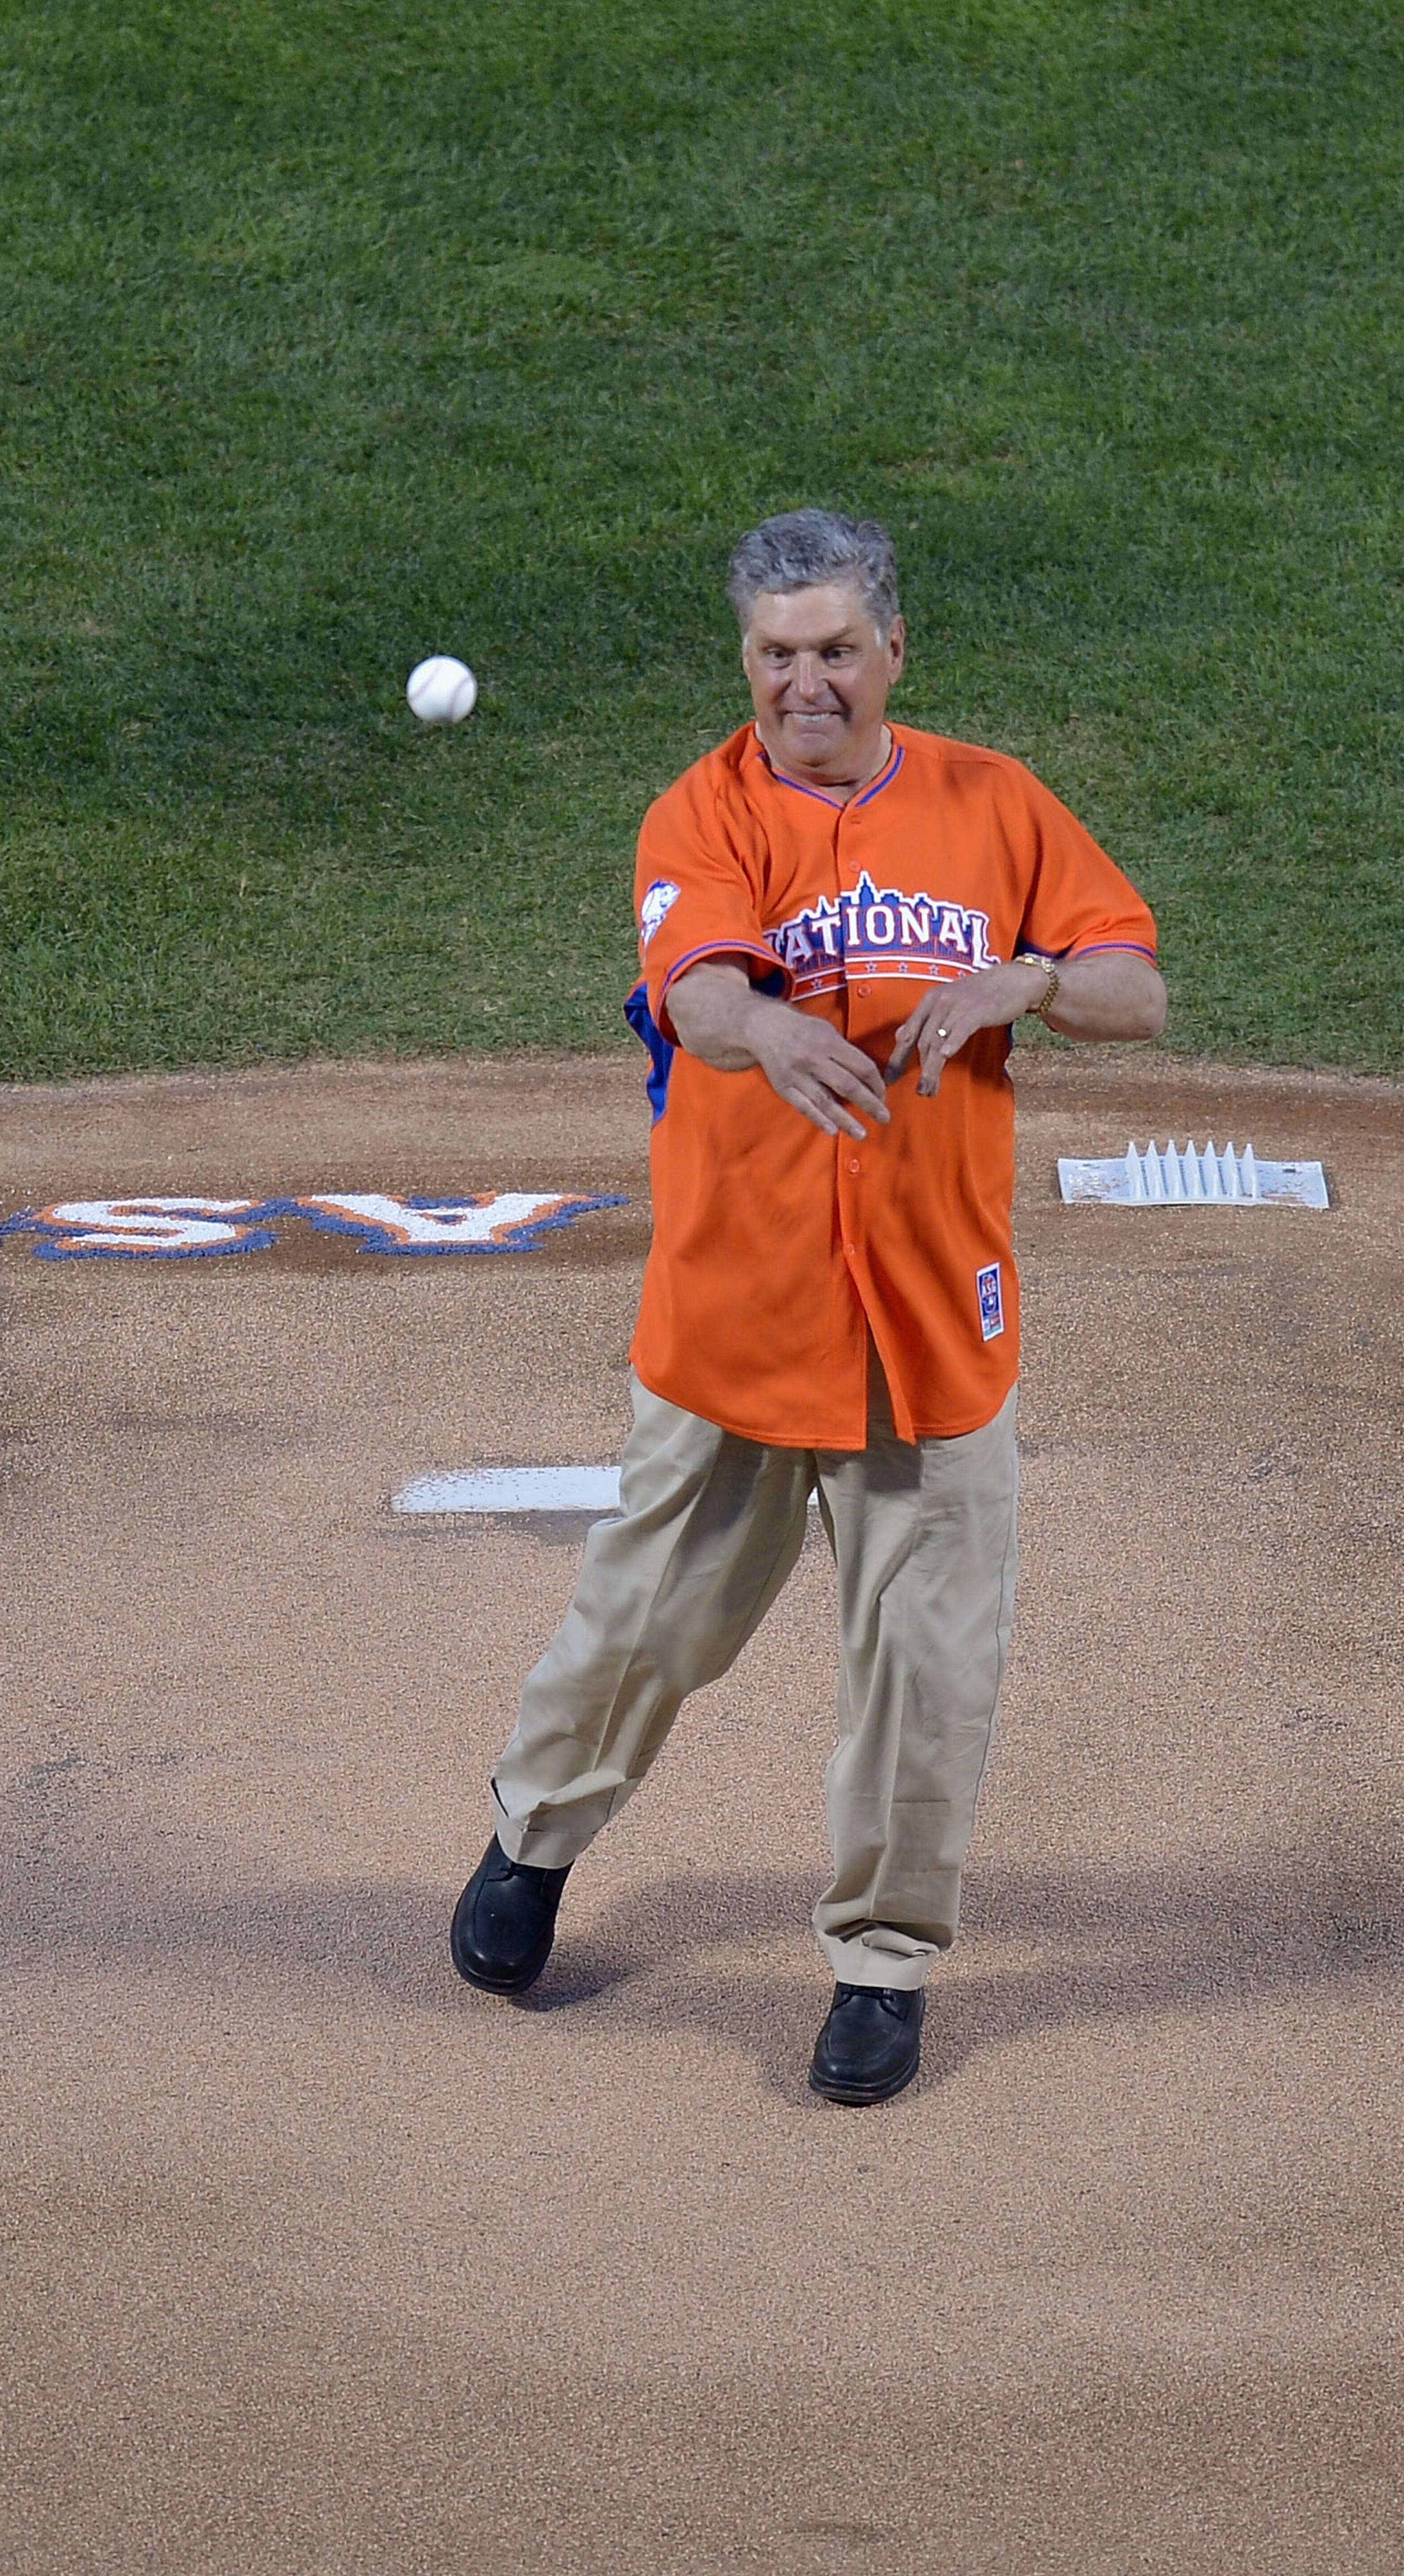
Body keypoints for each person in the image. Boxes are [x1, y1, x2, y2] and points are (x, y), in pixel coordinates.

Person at [450, 507, 1166, 2104]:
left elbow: (1137, 982)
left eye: (837, 651)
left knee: (926, 1670)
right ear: (748, 663)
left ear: (893, 650)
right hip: (741, 1315)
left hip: (933, 1329)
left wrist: (1029, 981)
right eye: (778, 656)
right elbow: (700, 991)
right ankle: (533, 1842)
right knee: (646, 1622)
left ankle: (882, 1966)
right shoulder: (699, 814)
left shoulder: (997, 807)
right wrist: (769, 1036)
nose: (807, 686)